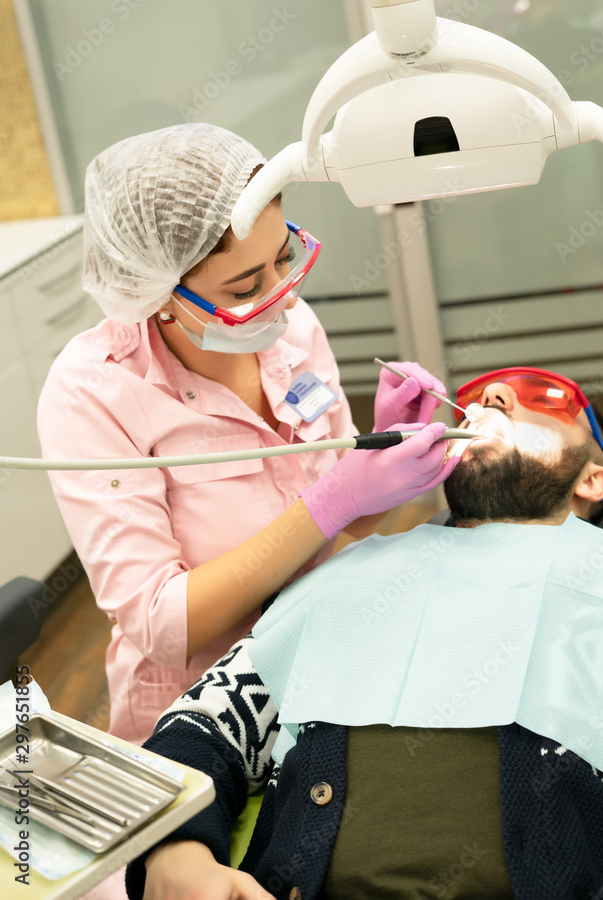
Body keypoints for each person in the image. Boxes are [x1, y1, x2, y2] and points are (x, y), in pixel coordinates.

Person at [126, 365, 603, 900]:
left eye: (545, 397)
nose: (493, 395)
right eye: (478, 395)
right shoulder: (353, 569)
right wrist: (177, 850)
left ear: (593, 479)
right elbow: (202, 726)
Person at [36, 123, 456, 750]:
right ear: (159, 294)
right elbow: (161, 624)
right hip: (197, 718)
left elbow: (349, 517)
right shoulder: (92, 393)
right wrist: (331, 501)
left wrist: (384, 449)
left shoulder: (291, 331)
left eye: (285, 258)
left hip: (325, 667)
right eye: (245, 287)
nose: (282, 299)